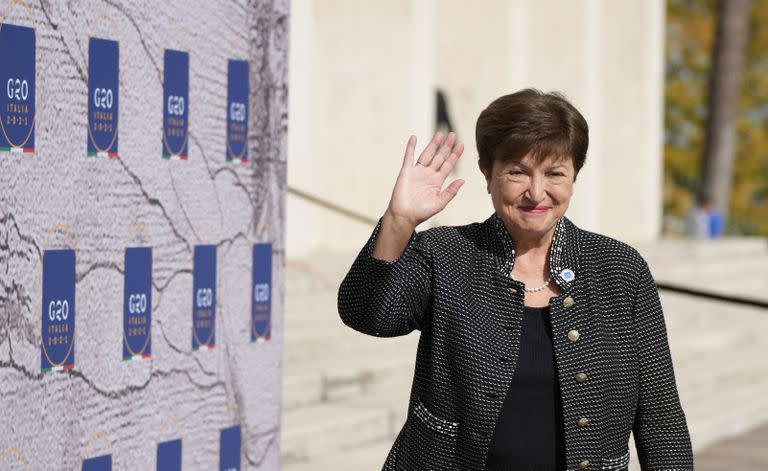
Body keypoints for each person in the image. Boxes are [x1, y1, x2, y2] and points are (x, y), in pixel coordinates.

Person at [338, 89, 693, 470]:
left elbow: (660, 417)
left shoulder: (620, 269)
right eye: (517, 172)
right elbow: (367, 314)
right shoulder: (445, 253)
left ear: (574, 177)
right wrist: (399, 221)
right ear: (487, 173)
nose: (536, 192)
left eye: (555, 173)